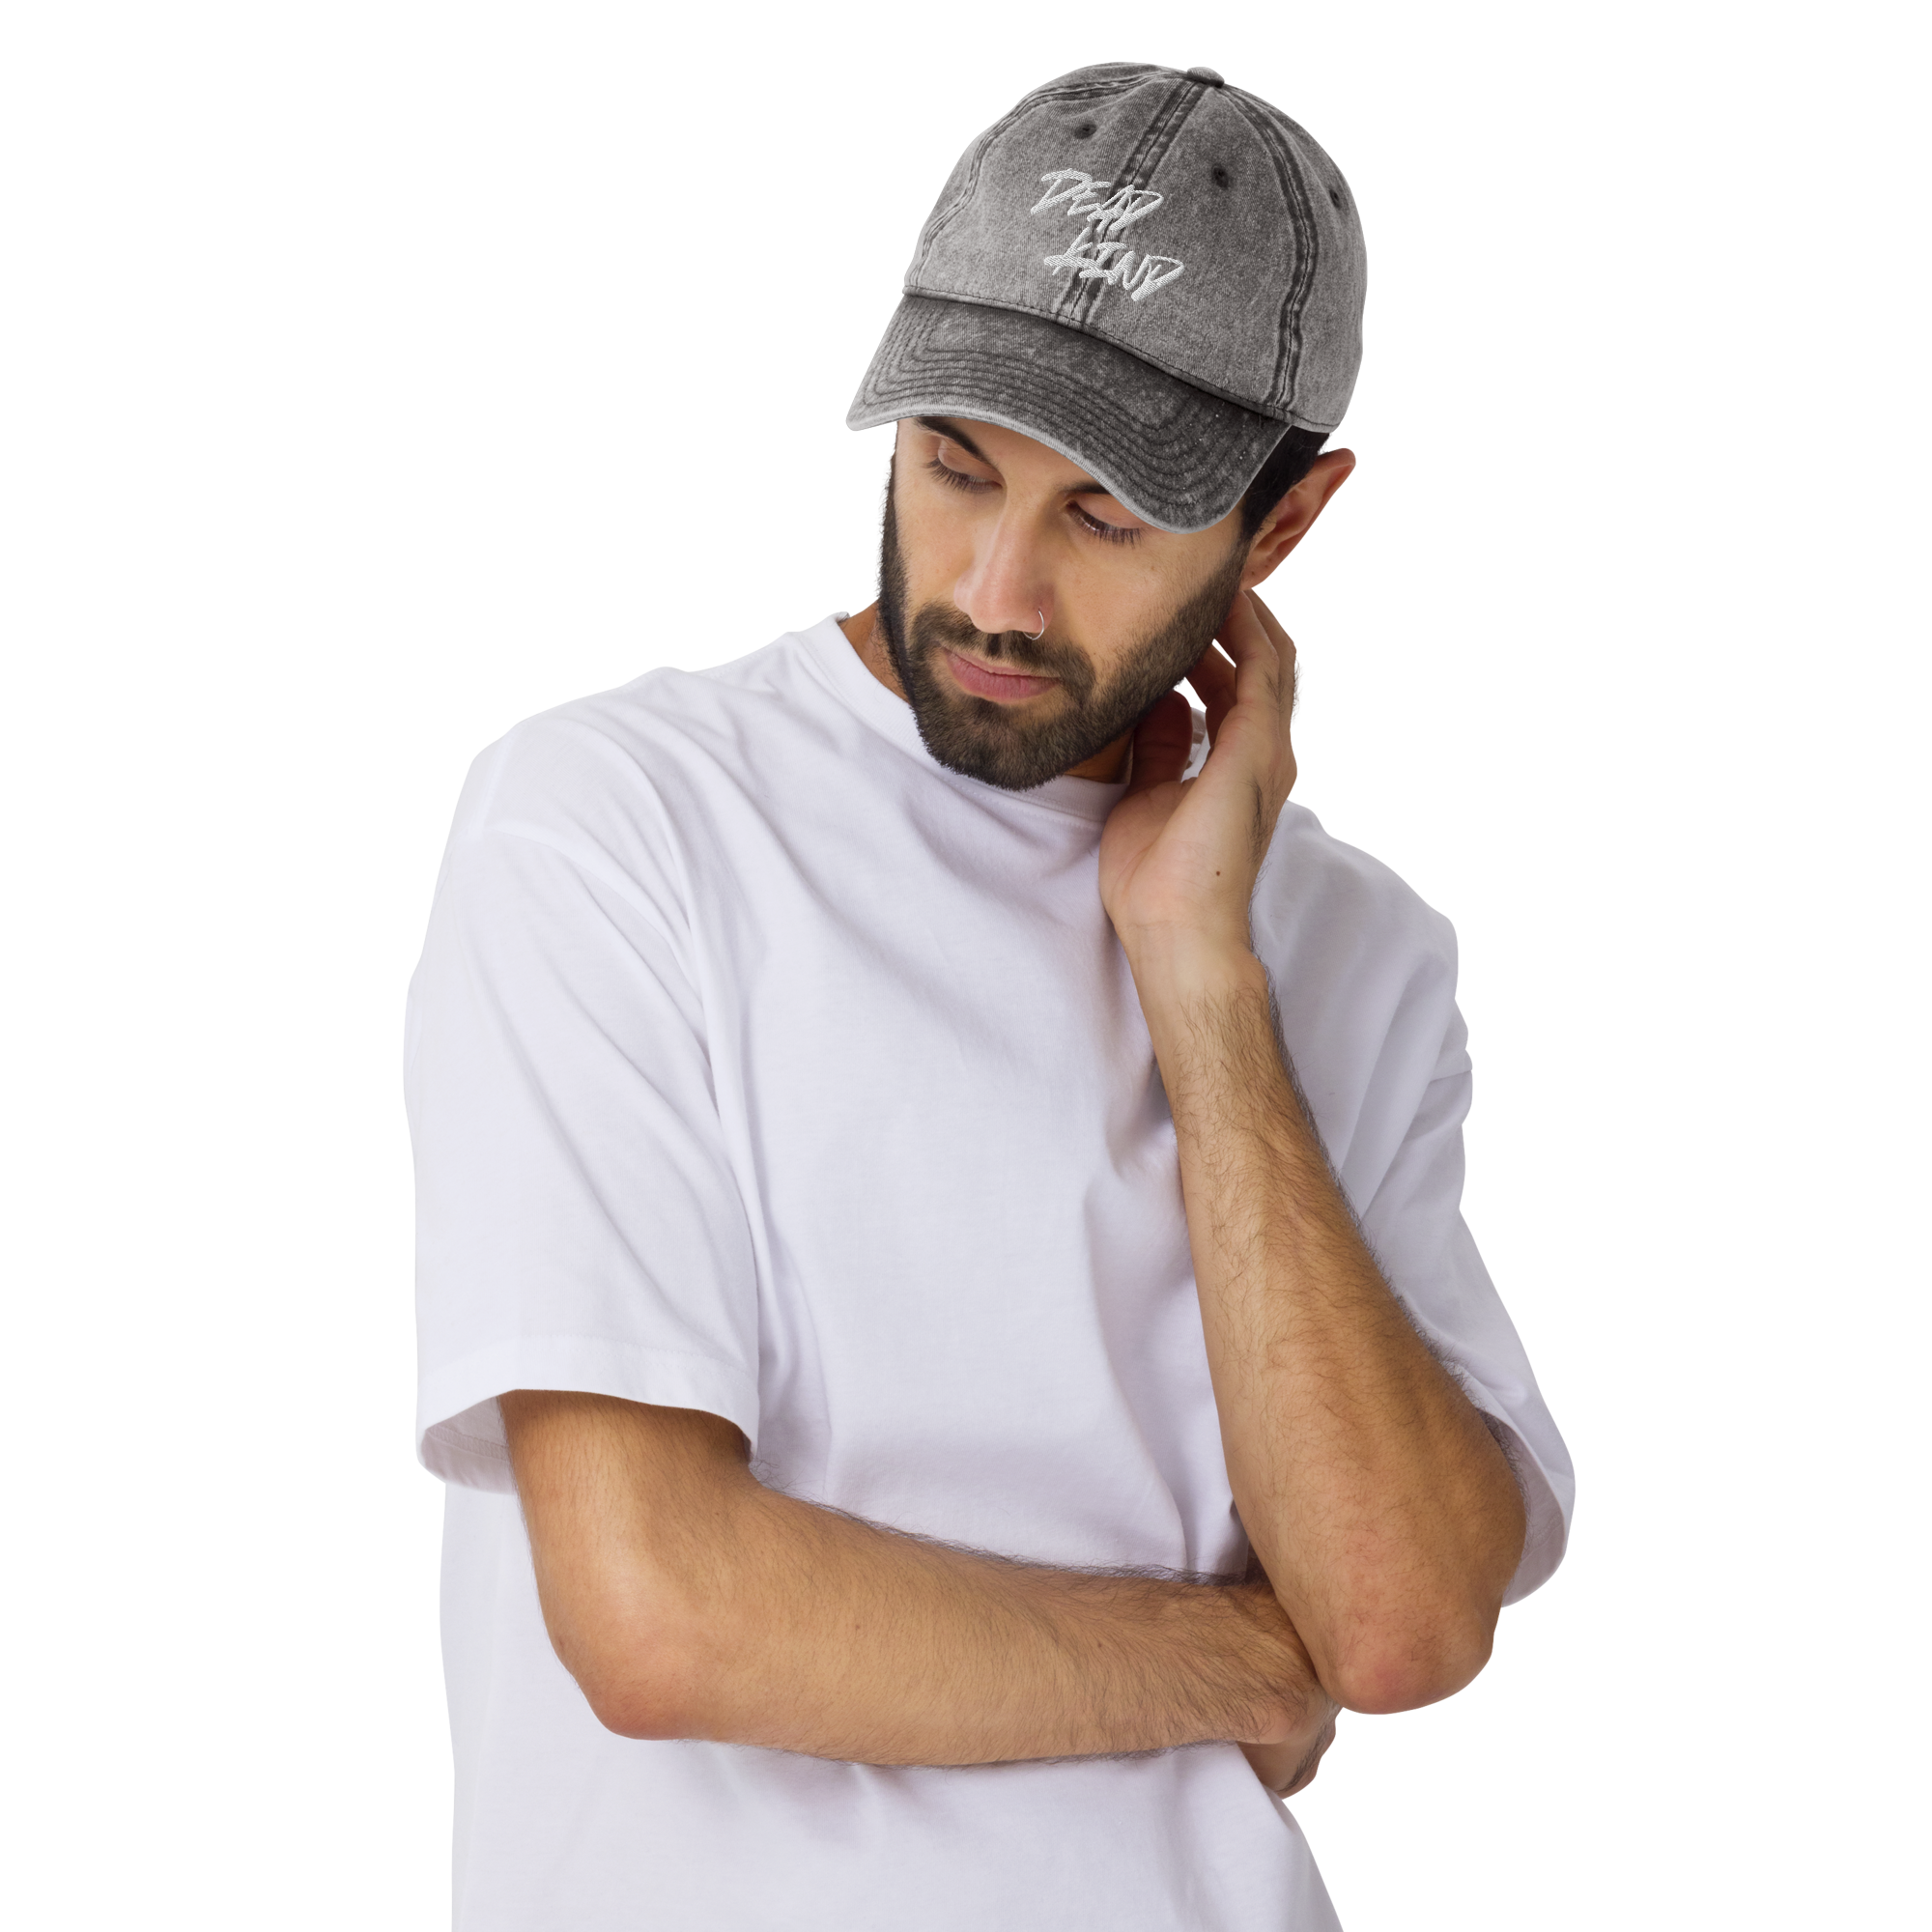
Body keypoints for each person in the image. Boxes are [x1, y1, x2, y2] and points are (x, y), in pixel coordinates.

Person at [410, 63, 1575, 1930]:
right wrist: (1235, 1668)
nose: (998, 592)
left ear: (1287, 530)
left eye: (1106, 516)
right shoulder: (610, 823)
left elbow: (1399, 1619)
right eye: (956, 465)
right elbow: (658, 1611)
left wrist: (1203, 981)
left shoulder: (1348, 958)